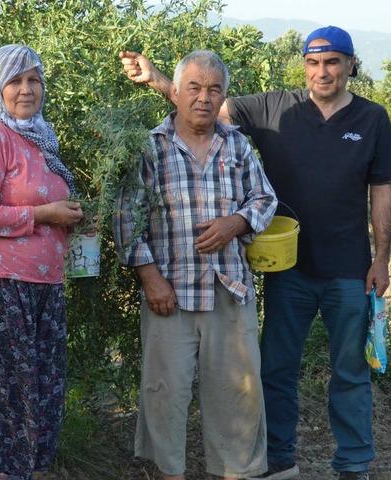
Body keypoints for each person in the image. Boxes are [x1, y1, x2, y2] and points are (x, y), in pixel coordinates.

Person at [120, 25, 391, 480]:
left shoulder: (372, 118)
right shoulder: (274, 108)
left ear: (350, 65)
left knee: (350, 370)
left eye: (332, 62)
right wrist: (157, 80)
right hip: (287, 272)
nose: (322, 71)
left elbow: (381, 190)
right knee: (275, 372)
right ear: (304, 66)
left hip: (350, 268)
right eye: (313, 62)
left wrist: (381, 259)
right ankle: (278, 460)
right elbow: (202, 105)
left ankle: (353, 464)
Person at [114, 50, 278, 480]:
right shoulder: (150, 147)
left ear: (223, 96)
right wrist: (150, 278)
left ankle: (236, 472)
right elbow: (127, 217)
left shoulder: (237, 144)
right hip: (170, 293)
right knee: (165, 394)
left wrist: (236, 222)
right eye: (194, 87)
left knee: (238, 395)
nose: (204, 98)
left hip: (230, 291)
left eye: (214, 89)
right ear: (175, 92)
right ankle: (170, 473)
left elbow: (265, 198)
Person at [0, 44, 83, 480]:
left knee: (41, 383)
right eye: (15, 81)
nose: (27, 90)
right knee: (4, 388)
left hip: (43, 282)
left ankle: (29, 469)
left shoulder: (42, 137)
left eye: (34, 80)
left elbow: (47, 201)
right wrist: (45, 215)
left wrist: (73, 217)